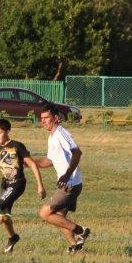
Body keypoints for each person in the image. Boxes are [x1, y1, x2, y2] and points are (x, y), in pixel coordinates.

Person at [0, 118, 45, 254]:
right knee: (3, 218)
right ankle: (13, 237)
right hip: (5, 185)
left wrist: (40, 185)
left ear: (7, 131)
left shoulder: (17, 146)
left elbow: (32, 164)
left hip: (17, 184)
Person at [34, 105, 91, 253]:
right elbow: (49, 161)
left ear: (56, 117)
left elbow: (77, 153)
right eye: (42, 119)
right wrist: (30, 163)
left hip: (69, 184)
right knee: (59, 217)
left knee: (45, 213)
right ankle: (74, 246)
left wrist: (67, 175)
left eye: (46, 118)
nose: (43, 121)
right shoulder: (52, 136)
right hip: (67, 182)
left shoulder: (61, 133)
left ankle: (81, 231)